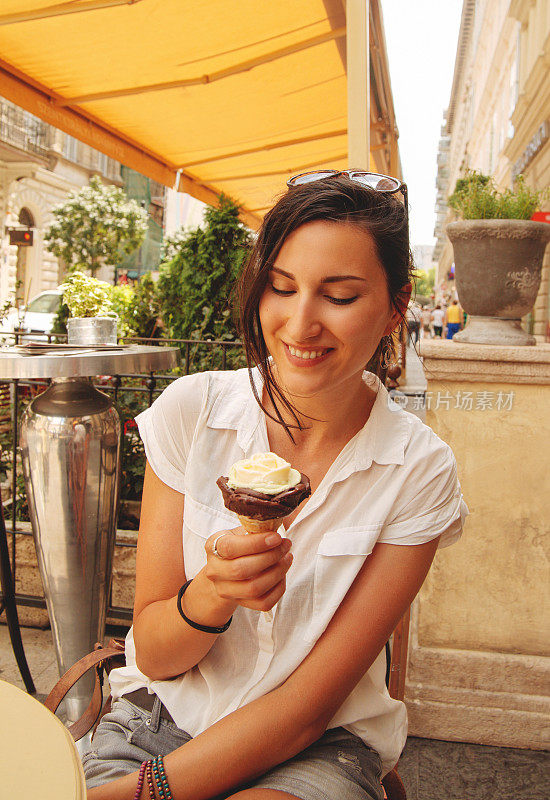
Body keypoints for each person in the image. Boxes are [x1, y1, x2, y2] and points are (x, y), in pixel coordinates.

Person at [84, 172, 467, 800]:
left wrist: (135, 797)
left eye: (338, 296)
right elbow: (153, 656)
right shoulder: (194, 413)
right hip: (159, 721)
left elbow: (305, 710)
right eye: (280, 288)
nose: (299, 324)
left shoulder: (416, 470)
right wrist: (210, 594)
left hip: (319, 749)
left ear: (397, 308)